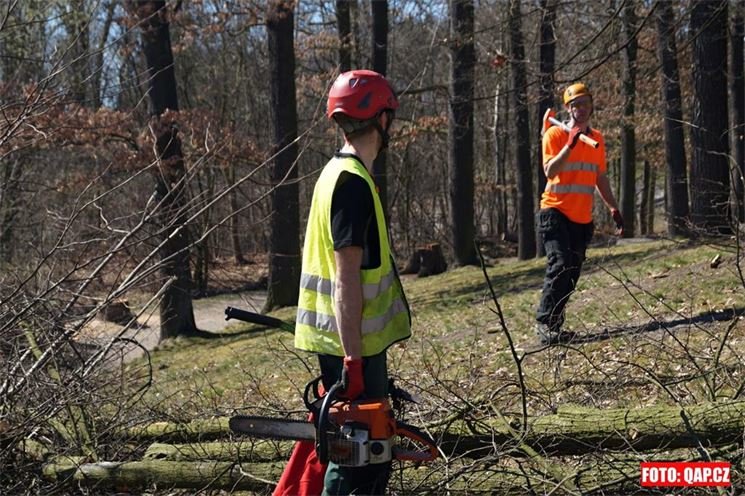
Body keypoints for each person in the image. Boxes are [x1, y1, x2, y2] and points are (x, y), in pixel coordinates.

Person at [291, 69, 411, 495]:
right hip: (351, 346)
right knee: (359, 455)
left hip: (348, 343)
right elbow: (346, 281)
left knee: (362, 448)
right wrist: (354, 363)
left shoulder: (335, 174)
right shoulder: (352, 185)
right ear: (381, 119)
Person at [535, 82, 624, 345]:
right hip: (554, 211)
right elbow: (550, 171)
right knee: (560, 264)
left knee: (572, 272)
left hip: (582, 218)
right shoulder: (554, 135)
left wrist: (613, 207)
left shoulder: (596, 138)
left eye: (584, 103)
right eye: (575, 105)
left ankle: (555, 325)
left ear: (591, 105)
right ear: (568, 109)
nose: (580, 109)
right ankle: (544, 323)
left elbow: (600, 177)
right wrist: (569, 145)